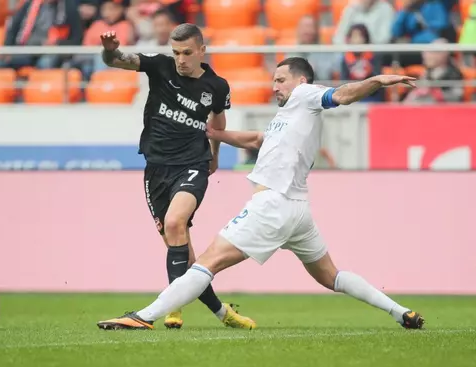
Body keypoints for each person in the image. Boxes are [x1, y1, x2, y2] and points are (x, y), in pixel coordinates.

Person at [97, 57, 426, 331]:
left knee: (207, 262)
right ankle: (400, 312)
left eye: (281, 80)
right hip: (298, 210)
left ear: (300, 81)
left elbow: (342, 95)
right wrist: (214, 133)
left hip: (272, 205)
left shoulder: (306, 94)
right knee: (331, 276)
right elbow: (257, 139)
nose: (274, 86)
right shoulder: (290, 115)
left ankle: (144, 316)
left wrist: (377, 81)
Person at [98, 24, 256, 330]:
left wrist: (215, 154)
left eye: (186, 53)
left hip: (193, 164)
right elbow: (116, 61)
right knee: (183, 250)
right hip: (156, 169)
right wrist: (109, 49)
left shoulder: (217, 86)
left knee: (174, 223)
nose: (181, 59)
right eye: (176, 53)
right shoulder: (160, 66)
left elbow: (218, 125)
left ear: (201, 51)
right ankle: (222, 312)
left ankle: (172, 308)